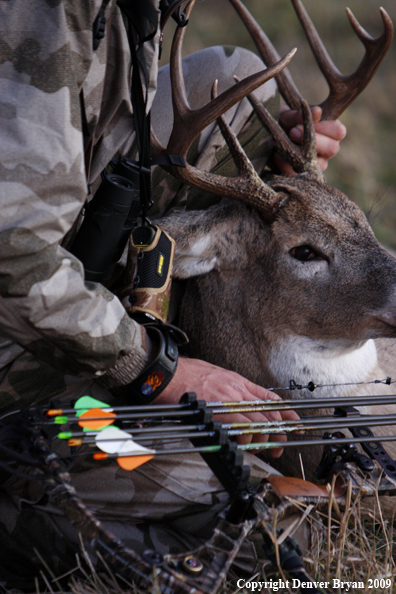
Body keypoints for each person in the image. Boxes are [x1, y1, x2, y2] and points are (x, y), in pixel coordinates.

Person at [0, 0, 346, 588]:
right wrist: (158, 370)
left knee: (233, 80)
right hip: (23, 385)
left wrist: (267, 150)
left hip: (48, 327)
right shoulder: (49, 11)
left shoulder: (141, 10)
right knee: (257, 517)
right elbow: (12, 249)